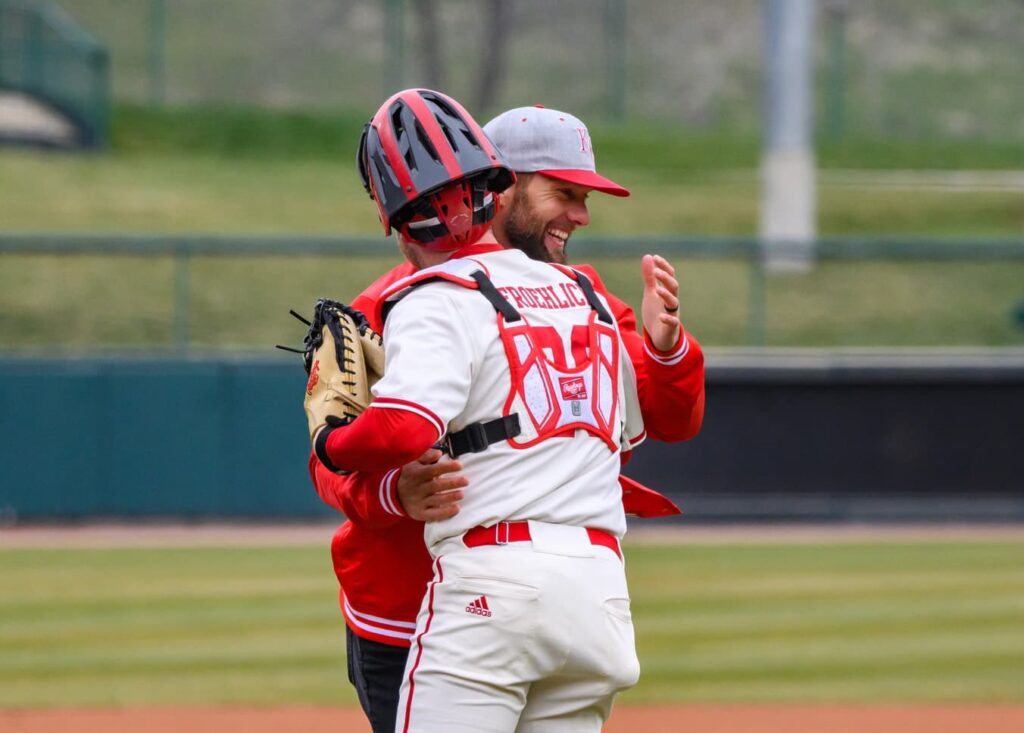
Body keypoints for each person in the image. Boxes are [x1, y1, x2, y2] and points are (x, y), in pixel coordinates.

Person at [309, 100, 705, 732]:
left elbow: (668, 418)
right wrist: (391, 494)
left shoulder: (584, 296)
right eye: (565, 193)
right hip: (402, 606)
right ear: (502, 184)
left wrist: (666, 349)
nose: (581, 214)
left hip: (498, 589)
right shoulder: (389, 306)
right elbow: (327, 466)